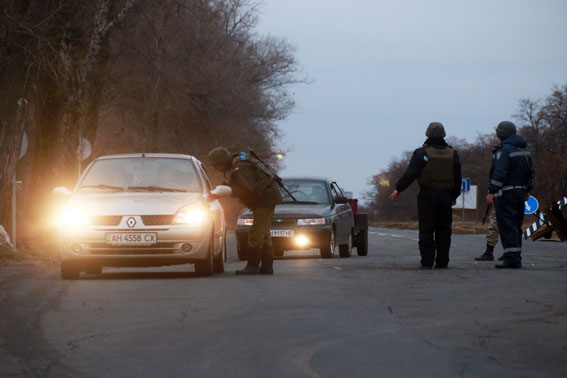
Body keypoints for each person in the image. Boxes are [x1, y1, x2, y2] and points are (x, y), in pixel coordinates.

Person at [389, 122, 462, 269]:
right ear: (443, 134)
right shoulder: (452, 154)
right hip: (445, 195)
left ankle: (427, 262)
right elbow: (457, 177)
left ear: (427, 134)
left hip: (427, 194)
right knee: (444, 230)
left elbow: (410, 173)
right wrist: (454, 195)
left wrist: (398, 189)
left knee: (427, 229)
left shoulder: (421, 153)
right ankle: (442, 262)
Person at [207, 147, 283, 275]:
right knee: (264, 233)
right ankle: (266, 267)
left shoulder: (240, 167)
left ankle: (253, 266)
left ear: (222, 162)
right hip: (265, 199)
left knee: (256, 233)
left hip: (266, 200)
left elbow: (248, 190)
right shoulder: (237, 165)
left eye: (215, 165)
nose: (215, 169)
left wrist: (228, 191)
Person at [486, 121, 534, 269]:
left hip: (506, 193)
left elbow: (499, 173)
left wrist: (492, 190)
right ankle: (515, 255)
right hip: (520, 192)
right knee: (516, 224)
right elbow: (531, 172)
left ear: (500, 134)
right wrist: (527, 190)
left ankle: (512, 259)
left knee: (507, 225)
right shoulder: (525, 150)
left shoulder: (504, 150)